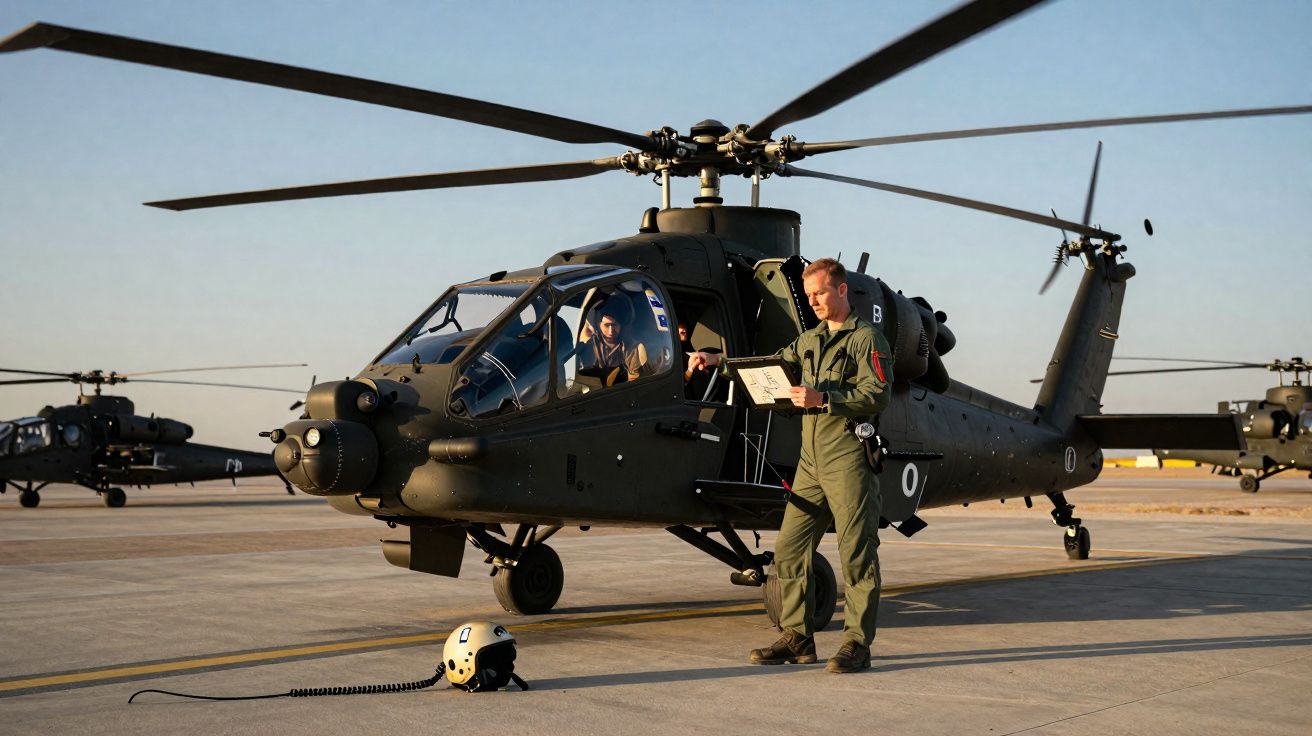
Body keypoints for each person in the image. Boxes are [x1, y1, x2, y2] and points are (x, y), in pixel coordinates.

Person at [691, 257, 891, 673]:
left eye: (819, 293)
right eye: (808, 295)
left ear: (840, 290)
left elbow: (878, 394)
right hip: (810, 461)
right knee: (789, 549)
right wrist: (719, 363)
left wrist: (826, 399)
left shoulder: (866, 339)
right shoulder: (810, 340)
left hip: (848, 458)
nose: (813, 301)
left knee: (856, 552)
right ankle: (799, 637)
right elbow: (770, 367)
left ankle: (857, 643)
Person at [580, 301, 647, 385]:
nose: (611, 331)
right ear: (598, 325)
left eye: (614, 325)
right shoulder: (589, 346)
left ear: (621, 325)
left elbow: (634, 381)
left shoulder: (631, 347)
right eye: (607, 325)